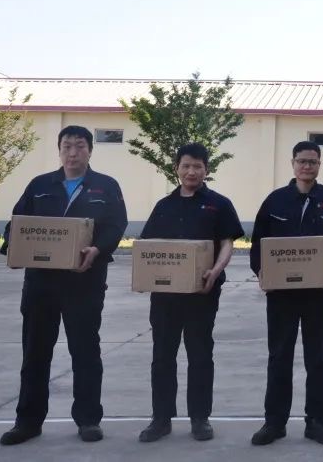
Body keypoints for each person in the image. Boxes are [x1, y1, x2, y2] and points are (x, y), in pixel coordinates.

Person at [0, 125, 128, 445]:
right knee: (35, 353)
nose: (73, 153)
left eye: (80, 146)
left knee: (85, 352)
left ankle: (88, 420)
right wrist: (13, 248)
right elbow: (17, 224)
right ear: (59, 150)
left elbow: (116, 225)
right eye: (67, 146)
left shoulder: (106, 186)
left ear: (90, 150)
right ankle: (27, 422)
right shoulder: (40, 185)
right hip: (41, 284)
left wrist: (98, 249)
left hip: (85, 282)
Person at [137, 143, 244, 443]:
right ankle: (161, 419)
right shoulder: (164, 205)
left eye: (197, 166)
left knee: (200, 355)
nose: (191, 171)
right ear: (177, 169)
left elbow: (227, 243)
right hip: (165, 297)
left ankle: (200, 418)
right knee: (162, 356)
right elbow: (149, 248)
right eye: (186, 166)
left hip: (203, 293)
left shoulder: (219, 204)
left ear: (206, 169)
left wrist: (216, 270)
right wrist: (146, 276)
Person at [249, 141, 323, 447]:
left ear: (319, 165)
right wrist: (262, 271)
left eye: (312, 162)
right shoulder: (275, 201)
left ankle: (317, 422)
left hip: (317, 293)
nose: (307, 166)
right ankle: (274, 422)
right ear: (292, 164)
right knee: (279, 356)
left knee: (316, 358)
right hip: (281, 295)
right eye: (302, 161)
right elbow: (259, 242)